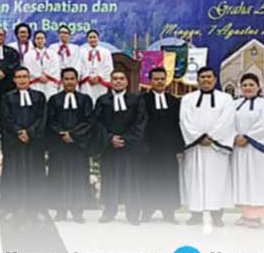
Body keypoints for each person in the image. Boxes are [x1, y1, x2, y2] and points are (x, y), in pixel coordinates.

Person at [179, 67, 235, 226]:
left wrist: (212, 137)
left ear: (215, 79)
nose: (206, 80)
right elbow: (185, 120)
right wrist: (199, 138)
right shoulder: (187, 99)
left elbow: (227, 120)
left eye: (209, 77)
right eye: (202, 77)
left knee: (217, 181)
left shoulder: (226, 99)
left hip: (216, 149)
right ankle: (195, 214)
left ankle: (217, 215)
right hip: (195, 147)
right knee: (194, 181)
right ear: (197, 80)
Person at [94, 70, 147, 226]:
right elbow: (97, 123)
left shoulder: (136, 99)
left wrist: (126, 139)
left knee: (131, 180)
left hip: (130, 147)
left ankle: (133, 213)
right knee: (109, 179)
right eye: (115, 79)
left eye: (121, 78)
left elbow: (140, 121)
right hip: (109, 147)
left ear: (126, 82)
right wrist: (110, 138)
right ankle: (109, 211)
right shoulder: (103, 100)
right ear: (110, 81)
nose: (118, 81)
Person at [46, 68, 96, 222]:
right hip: (59, 145)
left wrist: (73, 135)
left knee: (78, 177)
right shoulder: (54, 99)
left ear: (77, 80)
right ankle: (60, 211)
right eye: (66, 79)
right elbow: (50, 120)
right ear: (62, 81)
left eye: (72, 79)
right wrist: (62, 133)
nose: (69, 82)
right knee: (58, 177)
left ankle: (77, 212)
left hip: (78, 145)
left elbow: (89, 121)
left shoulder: (85, 99)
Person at [0, 67, 47, 222]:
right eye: (18, 77)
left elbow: (42, 117)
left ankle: (35, 207)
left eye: (24, 76)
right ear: (14, 80)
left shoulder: (39, 96)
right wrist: (19, 132)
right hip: (14, 142)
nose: (22, 80)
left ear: (29, 79)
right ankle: (12, 207)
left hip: (33, 142)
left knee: (34, 174)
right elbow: (5, 118)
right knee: (13, 174)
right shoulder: (7, 97)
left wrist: (30, 133)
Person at [232, 73, 264, 228]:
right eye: (244, 85)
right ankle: (245, 213)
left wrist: (248, 137)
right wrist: (235, 136)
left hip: (258, 150)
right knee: (243, 180)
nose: (248, 88)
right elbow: (227, 123)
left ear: (258, 87)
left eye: (251, 85)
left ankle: (256, 215)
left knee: (258, 180)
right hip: (240, 149)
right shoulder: (234, 104)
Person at [139, 67, 183, 223]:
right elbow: (139, 124)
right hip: (148, 148)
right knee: (149, 179)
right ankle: (147, 210)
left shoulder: (174, 101)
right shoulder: (142, 100)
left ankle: (168, 211)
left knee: (168, 179)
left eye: (162, 79)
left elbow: (178, 125)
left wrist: (179, 147)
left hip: (168, 148)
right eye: (156, 79)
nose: (159, 82)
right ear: (150, 81)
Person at [79, 29, 113, 103]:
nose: (92, 39)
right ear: (87, 39)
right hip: (86, 82)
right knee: (87, 101)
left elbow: (108, 67)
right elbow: (80, 66)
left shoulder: (106, 52)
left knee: (100, 101)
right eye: (90, 37)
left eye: (94, 37)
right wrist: (87, 77)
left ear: (98, 38)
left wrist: (99, 77)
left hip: (100, 82)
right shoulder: (81, 52)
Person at [24, 30, 60, 98]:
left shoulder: (53, 54)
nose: (40, 40)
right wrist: (39, 76)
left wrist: (47, 76)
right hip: (35, 84)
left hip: (49, 83)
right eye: (38, 38)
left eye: (42, 38)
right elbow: (28, 68)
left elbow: (55, 67)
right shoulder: (28, 55)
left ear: (45, 40)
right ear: (34, 40)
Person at [49, 25, 80, 90]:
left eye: (66, 33)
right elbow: (51, 64)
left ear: (69, 35)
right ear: (58, 35)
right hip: (56, 78)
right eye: (61, 32)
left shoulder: (75, 48)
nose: (63, 35)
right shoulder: (52, 48)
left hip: (70, 78)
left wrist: (70, 75)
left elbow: (77, 64)